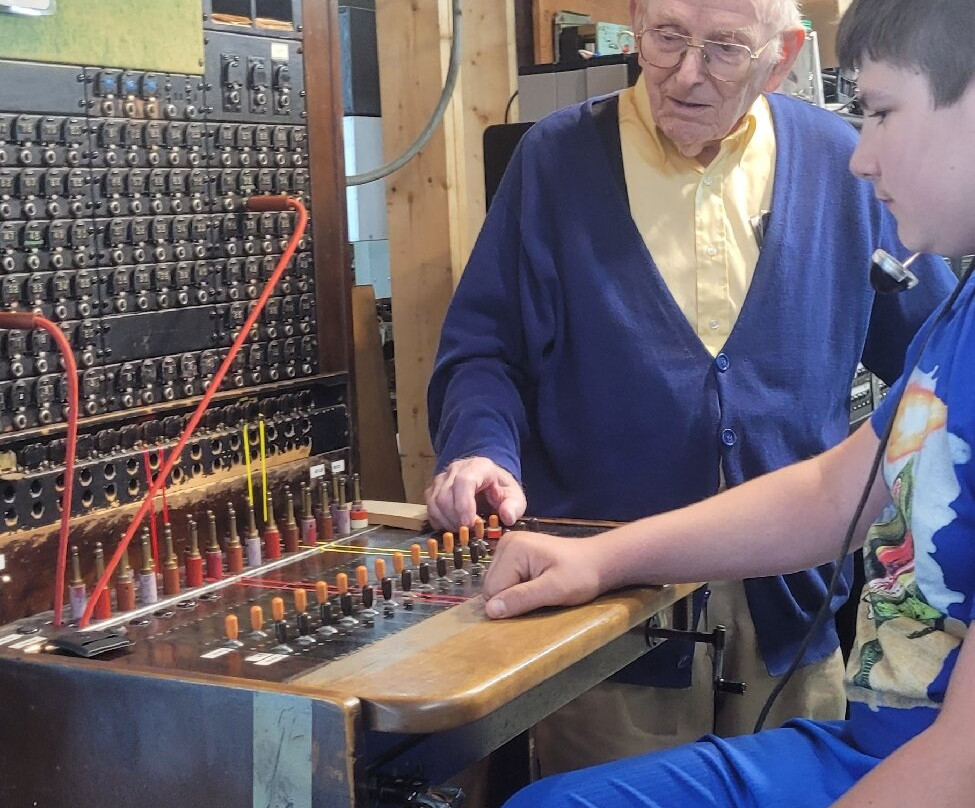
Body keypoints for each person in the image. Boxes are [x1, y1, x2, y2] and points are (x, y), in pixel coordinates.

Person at [426, 0, 956, 773]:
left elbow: (938, 355)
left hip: (788, 602)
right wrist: (480, 448)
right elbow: (486, 347)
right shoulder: (558, 160)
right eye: (665, 37)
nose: (684, 73)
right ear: (633, 28)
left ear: (782, 56)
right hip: (605, 604)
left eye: (723, 49)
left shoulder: (843, 164)